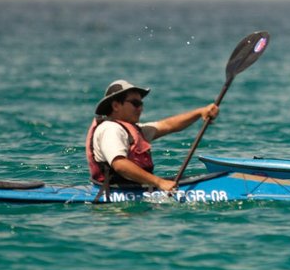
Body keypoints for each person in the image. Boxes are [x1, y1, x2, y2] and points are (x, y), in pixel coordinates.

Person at [85, 79, 219, 192]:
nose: (140, 108)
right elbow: (120, 164)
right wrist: (159, 182)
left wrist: (200, 112)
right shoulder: (110, 129)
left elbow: (168, 125)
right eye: (135, 104)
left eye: (141, 104)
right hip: (116, 193)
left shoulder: (132, 130)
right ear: (115, 105)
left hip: (134, 187)